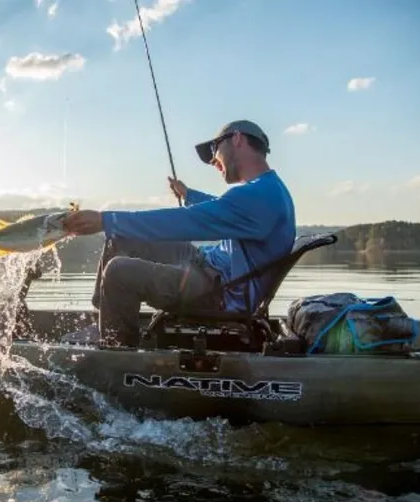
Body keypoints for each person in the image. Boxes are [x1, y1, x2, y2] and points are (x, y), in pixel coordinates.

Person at [61, 120, 296, 347]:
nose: (213, 161)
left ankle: (116, 349)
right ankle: (105, 319)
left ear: (237, 139)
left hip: (216, 291)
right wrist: (189, 195)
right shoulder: (266, 190)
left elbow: (189, 221)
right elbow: (223, 210)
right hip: (205, 264)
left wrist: (106, 220)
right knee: (121, 238)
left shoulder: (260, 196)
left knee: (118, 272)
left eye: (215, 149)